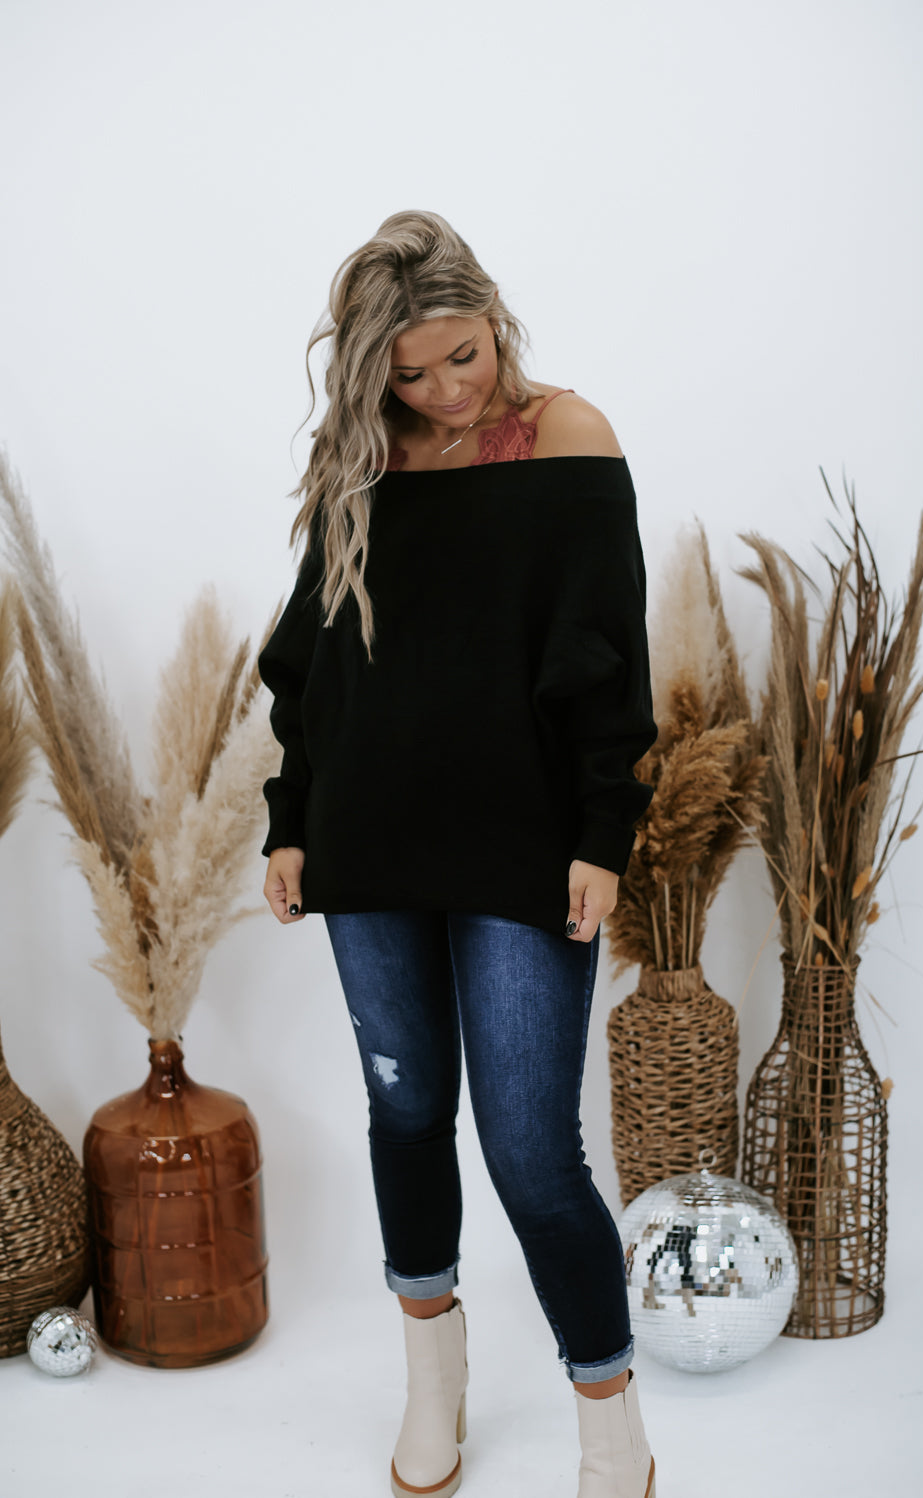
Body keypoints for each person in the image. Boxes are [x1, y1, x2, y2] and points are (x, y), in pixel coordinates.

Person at [259, 210, 658, 1498]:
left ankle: (610, 1423)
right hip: (366, 843)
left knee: (533, 1154)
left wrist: (603, 832)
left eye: (462, 357)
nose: (441, 391)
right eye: (410, 372)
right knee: (407, 1110)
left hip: (523, 847)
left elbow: (607, 652)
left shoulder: (568, 436)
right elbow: (314, 660)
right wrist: (292, 819)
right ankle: (434, 1380)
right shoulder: (361, 455)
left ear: (496, 318)